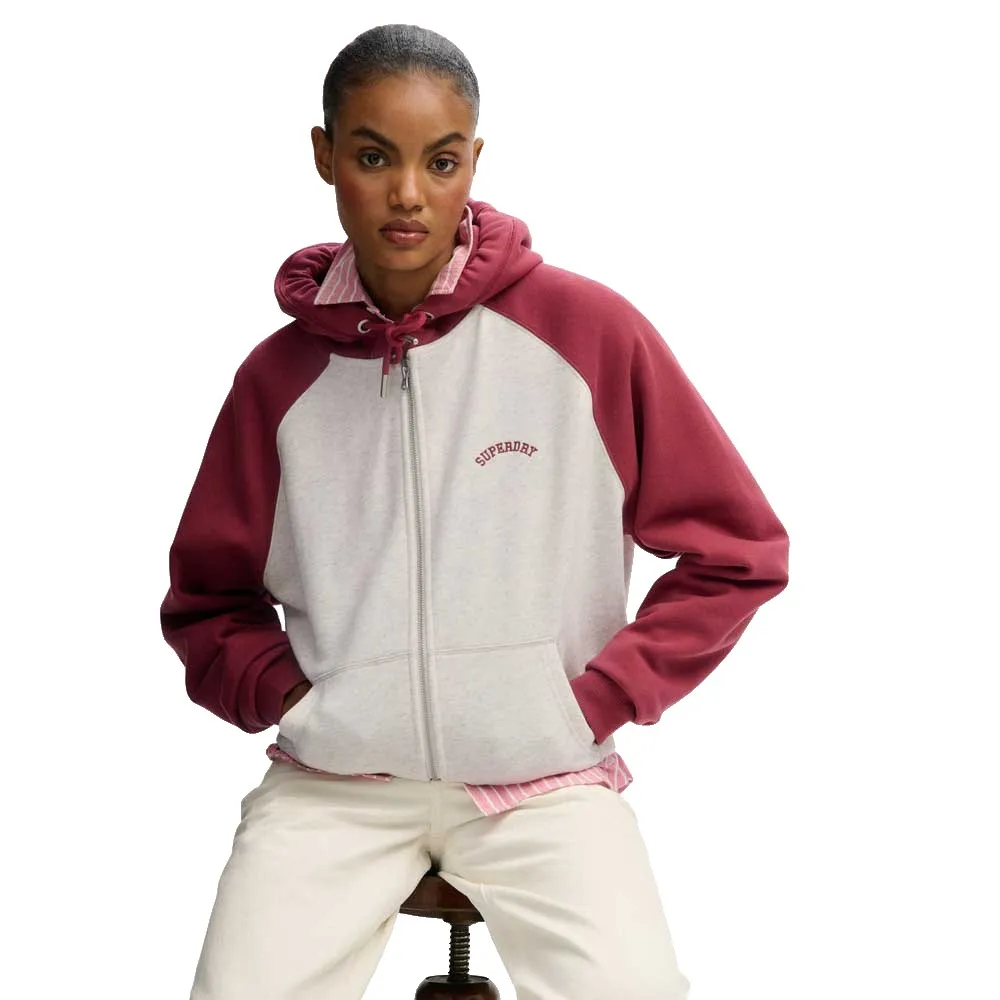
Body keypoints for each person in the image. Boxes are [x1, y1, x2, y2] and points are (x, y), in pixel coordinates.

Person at [160, 22, 790, 1000]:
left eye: (441, 160)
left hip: (541, 783)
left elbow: (739, 551)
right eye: (375, 157)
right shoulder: (277, 380)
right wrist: (294, 701)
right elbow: (206, 600)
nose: (409, 193)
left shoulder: (586, 334)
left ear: (474, 161)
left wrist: (598, 698)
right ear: (325, 155)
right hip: (335, 787)